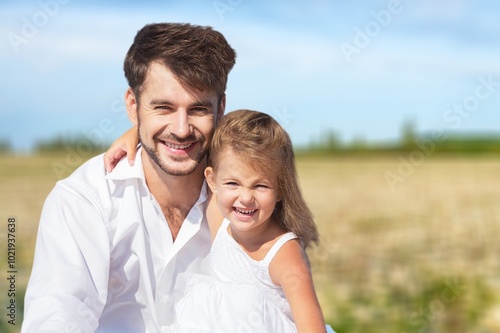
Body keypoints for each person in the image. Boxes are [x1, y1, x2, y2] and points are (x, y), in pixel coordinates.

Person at [22, 22, 236, 332]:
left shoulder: (245, 197)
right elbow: (57, 315)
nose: (181, 128)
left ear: (221, 110)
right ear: (133, 107)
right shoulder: (84, 201)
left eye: (198, 109)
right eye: (163, 107)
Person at [107, 110, 336, 332]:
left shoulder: (284, 255)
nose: (245, 198)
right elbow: (195, 141)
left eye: (261, 186)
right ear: (213, 181)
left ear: (280, 191)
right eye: (233, 184)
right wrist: (138, 132)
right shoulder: (219, 217)